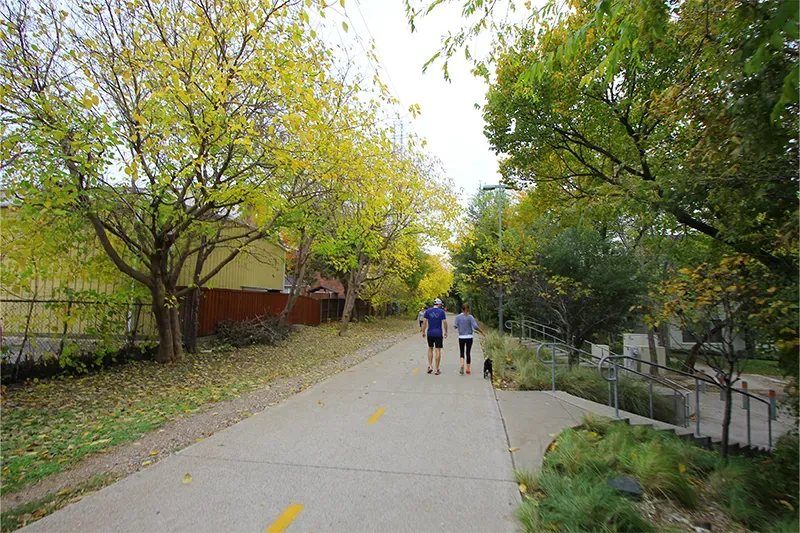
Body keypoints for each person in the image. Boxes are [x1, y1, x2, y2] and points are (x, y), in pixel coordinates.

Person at [453, 303, 484, 375]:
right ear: (468, 309)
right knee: (468, 352)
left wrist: (459, 325)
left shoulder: (458, 317)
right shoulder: (470, 317)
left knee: (462, 352)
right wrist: (481, 331)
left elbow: (455, 326)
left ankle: (462, 364)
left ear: (461, 309)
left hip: (461, 337)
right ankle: (468, 369)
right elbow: (475, 326)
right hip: (469, 337)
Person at [421, 298, 448, 375]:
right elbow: (445, 322)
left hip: (430, 333)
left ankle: (430, 366)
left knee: (430, 348)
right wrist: (446, 331)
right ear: (439, 304)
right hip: (438, 333)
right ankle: (437, 369)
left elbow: (424, 322)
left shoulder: (428, 311)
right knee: (438, 350)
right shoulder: (442, 312)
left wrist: (423, 331)